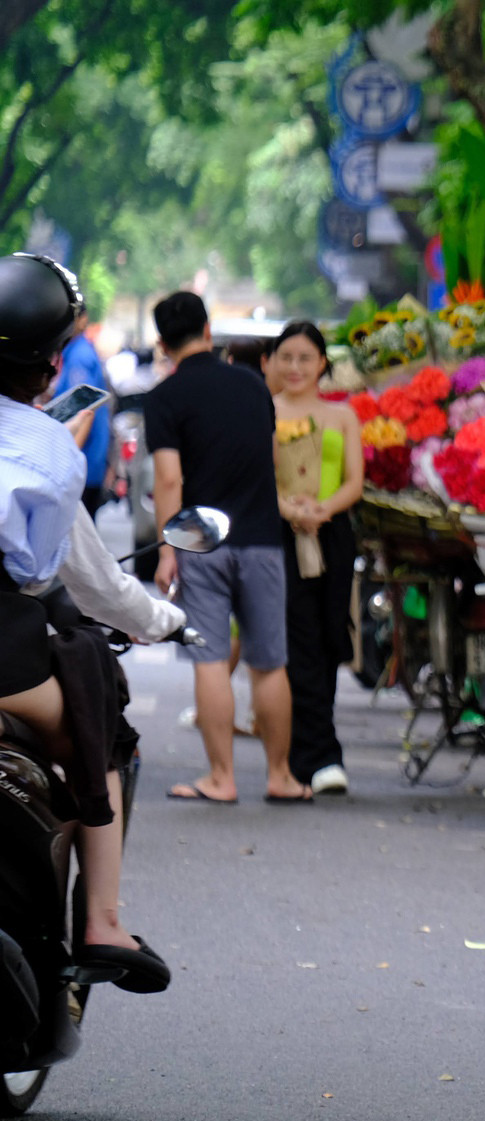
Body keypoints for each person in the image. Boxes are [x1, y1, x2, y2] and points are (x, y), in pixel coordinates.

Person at [0, 253, 179, 992]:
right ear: (49, 366)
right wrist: (161, 618)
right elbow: (62, 575)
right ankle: (102, 918)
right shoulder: (43, 446)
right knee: (96, 723)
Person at [144, 291, 312, 804]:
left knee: (211, 661)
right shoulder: (252, 386)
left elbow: (169, 479)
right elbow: (263, 454)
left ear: (163, 344)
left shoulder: (165, 398)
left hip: (201, 544)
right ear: (208, 331)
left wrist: (167, 549)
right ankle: (281, 775)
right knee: (269, 662)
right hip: (262, 538)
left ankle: (221, 778)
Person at [268, 321, 361, 795]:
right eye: (286, 357)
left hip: (332, 535)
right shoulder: (265, 413)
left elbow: (354, 482)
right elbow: (261, 478)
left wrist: (322, 510)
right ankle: (318, 754)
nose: (295, 367)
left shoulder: (342, 416)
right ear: (273, 362)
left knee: (328, 637)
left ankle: (314, 747)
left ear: (323, 362)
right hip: (283, 538)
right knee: (297, 640)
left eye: (305, 358)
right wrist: (289, 511)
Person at [50, 312, 110, 516]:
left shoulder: (79, 356)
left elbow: (84, 412)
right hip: (86, 464)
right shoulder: (76, 351)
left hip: (81, 465)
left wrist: (68, 461)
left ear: (83, 319)